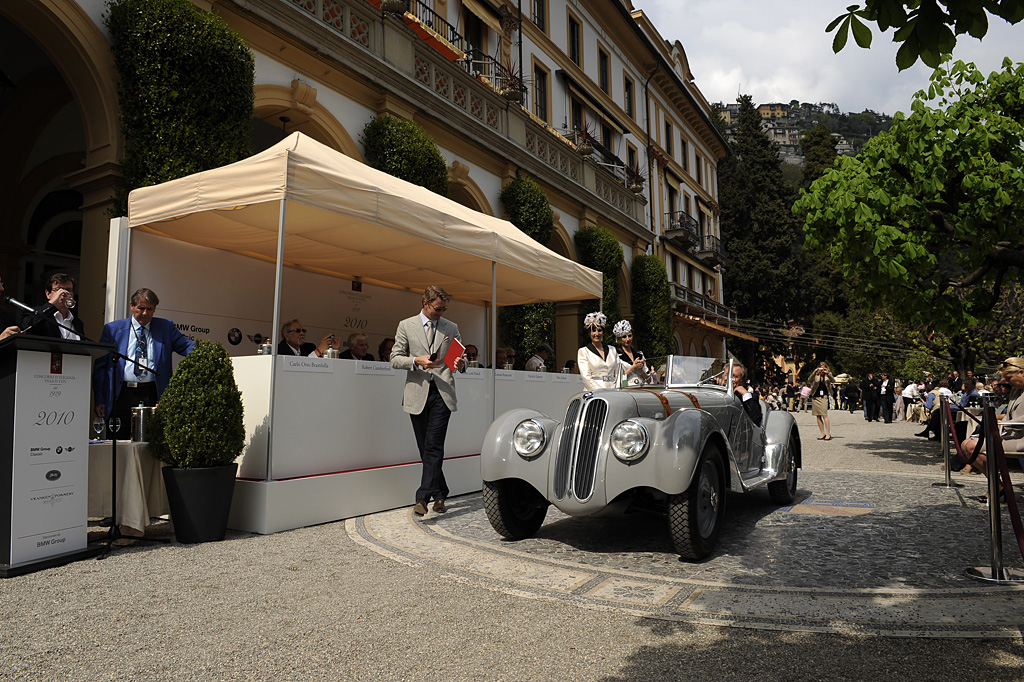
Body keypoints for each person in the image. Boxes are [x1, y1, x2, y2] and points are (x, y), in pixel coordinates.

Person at [390, 286, 466, 517]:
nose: (441, 312)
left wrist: (461, 364)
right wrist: (416, 361)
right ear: (425, 303)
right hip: (417, 392)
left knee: (433, 445)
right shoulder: (406, 325)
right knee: (425, 448)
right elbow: (395, 358)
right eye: (437, 308)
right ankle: (440, 493)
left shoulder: (451, 327)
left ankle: (422, 497)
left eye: (444, 309)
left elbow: (457, 360)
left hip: (442, 393)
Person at [93, 288, 195, 438]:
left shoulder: (165, 327)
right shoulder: (113, 329)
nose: (145, 313)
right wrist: (100, 400)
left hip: (151, 393)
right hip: (121, 394)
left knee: (151, 440)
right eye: (141, 308)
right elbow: (100, 367)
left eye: (149, 309)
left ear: (154, 309)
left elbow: (186, 346)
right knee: (119, 439)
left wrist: (207, 353)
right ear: (132, 306)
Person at [958, 358, 1024, 502]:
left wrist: (1000, 425)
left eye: (1009, 377)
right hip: (1010, 433)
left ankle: (998, 486)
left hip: (1020, 437)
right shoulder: (1017, 391)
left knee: (970, 445)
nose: (1007, 382)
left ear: (1022, 372)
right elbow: (1011, 415)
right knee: (966, 444)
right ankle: (997, 485)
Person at [576, 312, 641, 390]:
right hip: (594, 392)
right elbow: (586, 377)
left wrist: (617, 389)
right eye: (593, 331)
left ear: (603, 332)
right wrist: (600, 392)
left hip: (613, 391)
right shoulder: (583, 352)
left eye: (599, 330)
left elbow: (618, 374)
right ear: (589, 333)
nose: (597, 334)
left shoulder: (612, 350)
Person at [22, 273, 82, 340]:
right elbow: (26, 328)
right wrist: (51, 304)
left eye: (68, 290)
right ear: (48, 294)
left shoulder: (77, 322)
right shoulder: (35, 313)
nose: (64, 293)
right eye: (58, 290)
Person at [718, 362, 762, 427]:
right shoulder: (712, 393)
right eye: (727, 375)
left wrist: (746, 394)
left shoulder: (750, 398)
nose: (728, 379)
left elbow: (756, 419)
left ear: (742, 381)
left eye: (734, 376)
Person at [613, 320, 650, 385]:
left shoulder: (639, 354)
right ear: (619, 339)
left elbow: (649, 380)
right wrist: (633, 367)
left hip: (641, 388)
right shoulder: (616, 354)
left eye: (629, 336)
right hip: (626, 390)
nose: (628, 339)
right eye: (624, 337)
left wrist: (641, 371)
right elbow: (618, 379)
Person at [809, 362, 834, 440]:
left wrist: (828, 373)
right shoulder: (816, 375)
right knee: (818, 415)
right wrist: (814, 372)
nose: (822, 370)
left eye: (823, 368)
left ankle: (828, 433)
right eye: (820, 368)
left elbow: (833, 380)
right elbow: (809, 380)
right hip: (815, 396)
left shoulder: (828, 375)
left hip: (824, 397)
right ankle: (822, 433)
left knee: (824, 415)